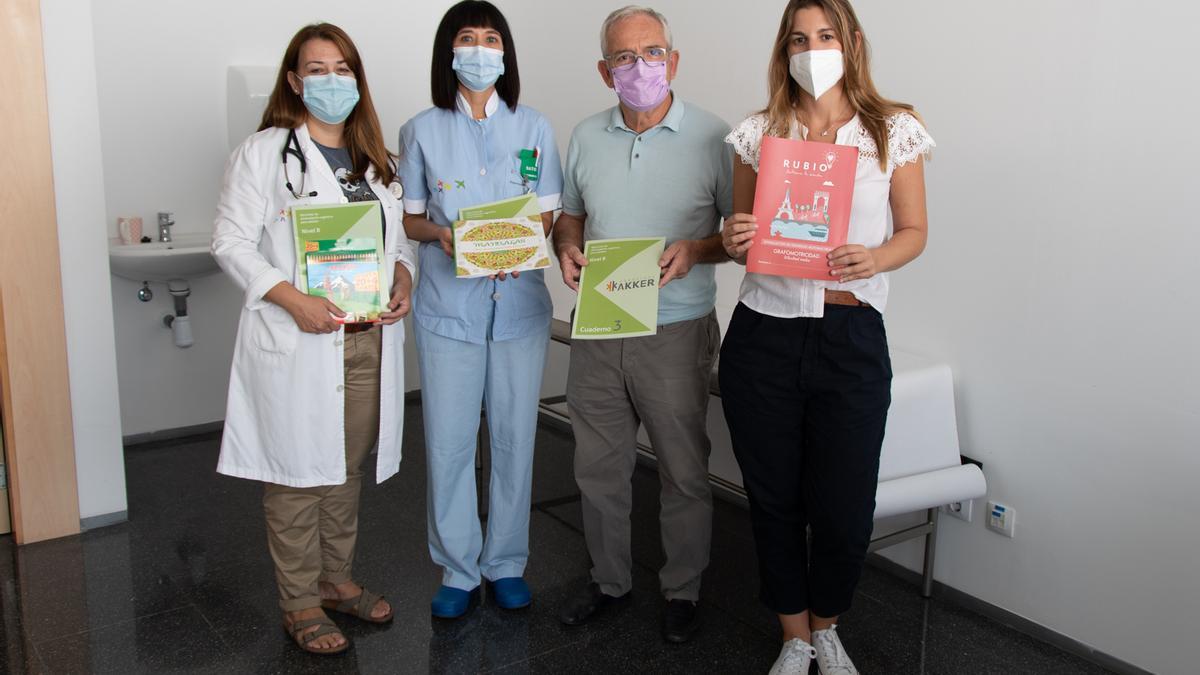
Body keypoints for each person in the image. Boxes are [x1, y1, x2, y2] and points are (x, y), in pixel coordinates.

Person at [718, 1, 934, 672]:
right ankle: (794, 634)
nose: (812, 49)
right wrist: (732, 236)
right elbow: (741, 236)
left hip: (851, 337)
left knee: (844, 509)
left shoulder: (892, 130)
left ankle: (828, 623)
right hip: (764, 336)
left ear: (853, 42)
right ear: (783, 51)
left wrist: (878, 257)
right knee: (774, 497)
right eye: (798, 39)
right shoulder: (760, 132)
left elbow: (914, 230)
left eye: (825, 35)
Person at [210, 23, 415, 655]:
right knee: (296, 474)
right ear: (296, 82)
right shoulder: (266, 153)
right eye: (317, 70)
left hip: (363, 340)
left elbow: (397, 241)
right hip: (300, 340)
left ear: (358, 80)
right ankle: (299, 602)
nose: (332, 80)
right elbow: (229, 243)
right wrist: (291, 299)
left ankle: (336, 580)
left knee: (342, 467)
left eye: (343, 68)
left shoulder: (373, 162)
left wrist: (403, 278)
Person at [552, 5, 733, 644]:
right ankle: (609, 581)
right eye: (625, 57)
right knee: (598, 465)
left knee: (684, 469)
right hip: (600, 322)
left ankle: (682, 590)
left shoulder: (717, 137)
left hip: (676, 327)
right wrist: (565, 247)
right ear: (606, 71)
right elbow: (569, 215)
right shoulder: (584, 136)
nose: (640, 66)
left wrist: (696, 249)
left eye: (652, 52)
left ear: (674, 61)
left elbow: (740, 236)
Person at [397, 0, 563, 619]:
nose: (479, 49)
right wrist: (440, 236)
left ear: (505, 53)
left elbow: (547, 208)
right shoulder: (420, 130)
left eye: (491, 38)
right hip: (448, 309)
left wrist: (528, 240)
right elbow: (410, 216)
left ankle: (507, 562)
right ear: (449, 51)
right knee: (448, 442)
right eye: (467, 38)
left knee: (518, 438)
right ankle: (459, 568)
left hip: (518, 306)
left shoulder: (535, 126)